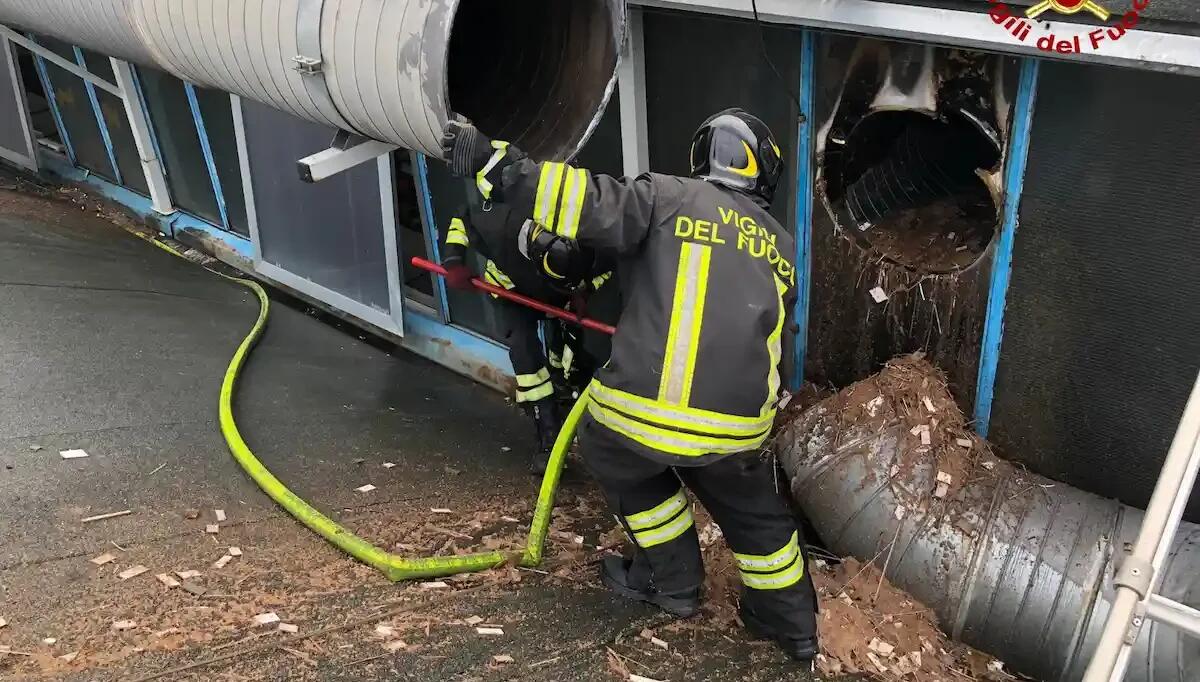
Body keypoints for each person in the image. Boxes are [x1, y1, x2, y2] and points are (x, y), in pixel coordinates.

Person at [441, 109, 819, 663]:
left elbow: (579, 200)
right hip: (737, 427)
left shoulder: (668, 198)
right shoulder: (783, 248)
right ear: (764, 176)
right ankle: (793, 626)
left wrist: (495, 163)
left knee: (614, 454)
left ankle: (674, 585)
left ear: (702, 157)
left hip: (640, 408)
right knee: (754, 513)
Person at [439, 201, 612, 473]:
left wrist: (585, 289)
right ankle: (547, 429)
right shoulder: (499, 222)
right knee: (525, 353)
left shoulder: (588, 233)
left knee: (569, 350)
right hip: (512, 292)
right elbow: (461, 222)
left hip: (560, 296)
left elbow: (610, 266)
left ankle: (565, 388)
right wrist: (453, 261)